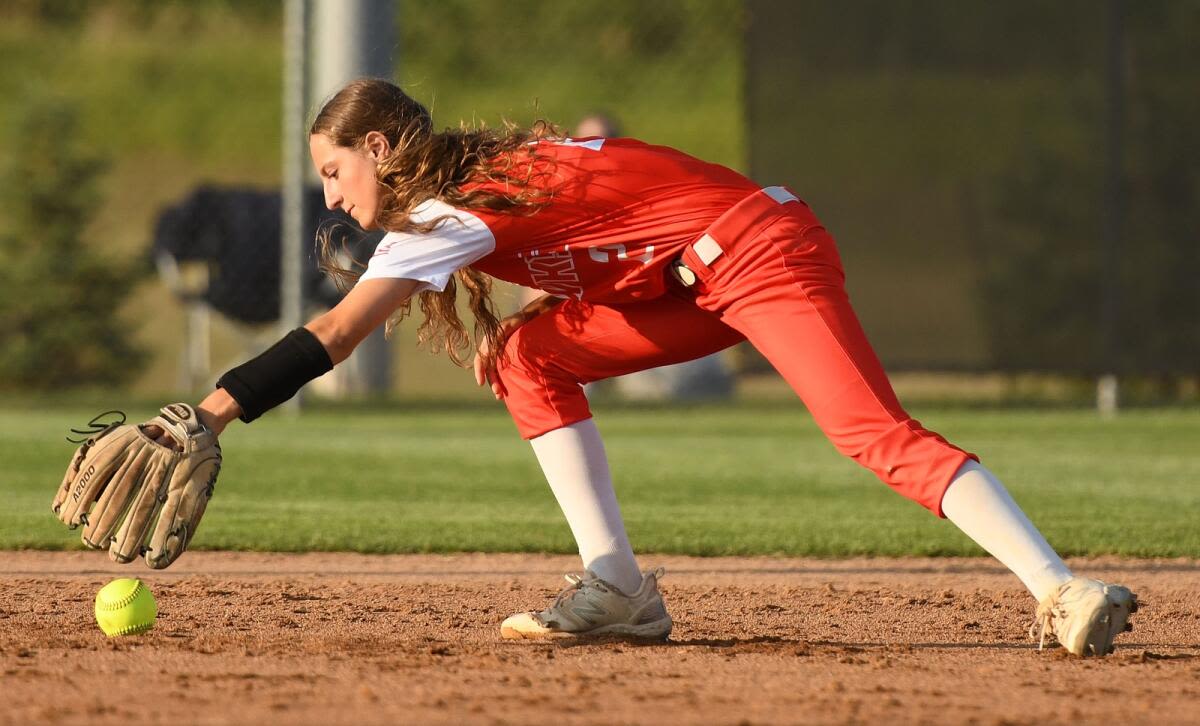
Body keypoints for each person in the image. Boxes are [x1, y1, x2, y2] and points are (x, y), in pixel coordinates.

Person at [191, 78, 1135, 655]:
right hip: (681, 282)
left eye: (333, 168)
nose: (330, 190)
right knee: (524, 352)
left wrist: (211, 413)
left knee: (868, 433)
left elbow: (341, 334)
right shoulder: (477, 180)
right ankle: (618, 591)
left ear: (382, 149)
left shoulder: (444, 212)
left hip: (762, 253)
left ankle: (1060, 589)